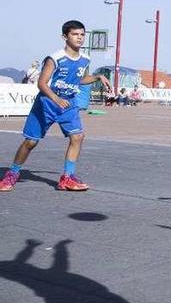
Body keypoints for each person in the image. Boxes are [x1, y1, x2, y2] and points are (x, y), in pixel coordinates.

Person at [0, 20, 111, 192]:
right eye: (75, 34)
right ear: (64, 37)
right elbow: (42, 83)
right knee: (31, 142)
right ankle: (12, 174)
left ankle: (67, 177)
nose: (79, 38)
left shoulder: (86, 59)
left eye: (82, 34)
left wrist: (97, 77)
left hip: (68, 104)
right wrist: (55, 98)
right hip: (46, 104)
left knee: (78, 137)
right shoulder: (55, 58)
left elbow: (79, 79)